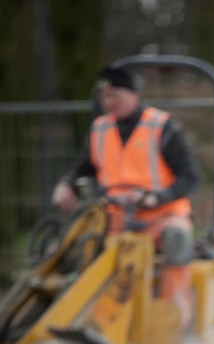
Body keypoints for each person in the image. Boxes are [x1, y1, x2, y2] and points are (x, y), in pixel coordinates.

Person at [52, 64, 200, 328]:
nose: (109, 102)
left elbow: (190, 177)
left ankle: (173, 313)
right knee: (78, 245)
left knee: (177, 239)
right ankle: (92, 318)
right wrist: (66, 184)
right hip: (115, 218)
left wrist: (159, 196)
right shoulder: (100, 130)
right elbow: (85, 167)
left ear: (134, 94)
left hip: (162, 216)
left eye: (115, 96)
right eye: (105, 97)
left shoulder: (162, 127)